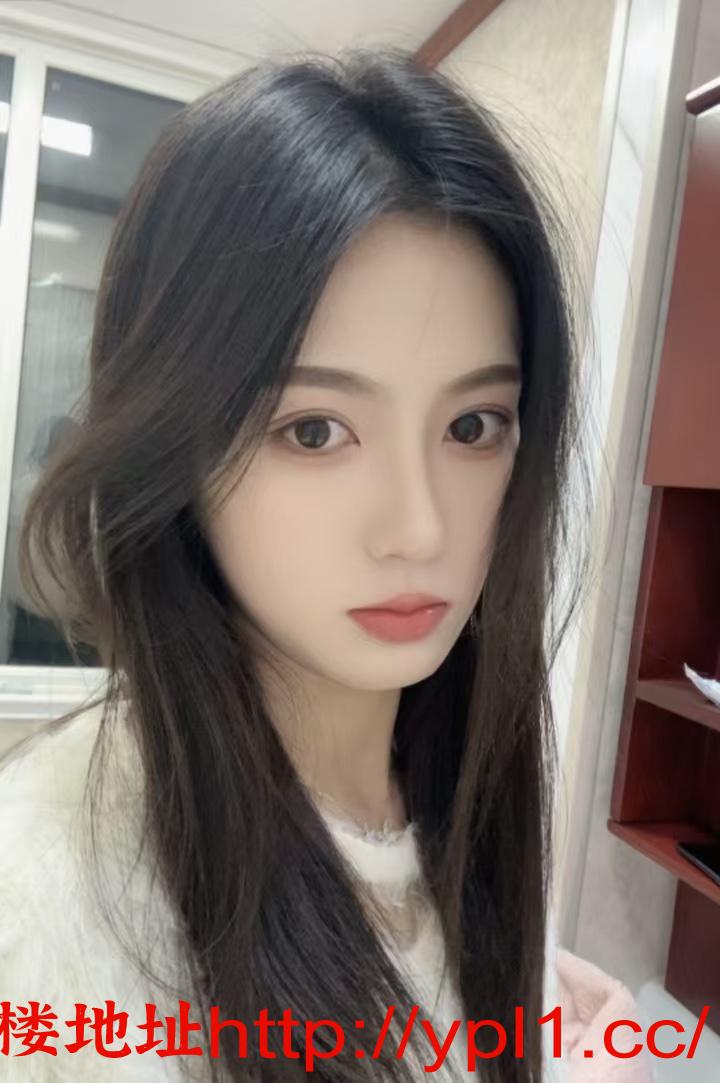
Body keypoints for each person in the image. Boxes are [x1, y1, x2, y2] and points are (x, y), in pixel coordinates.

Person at [0, 48, 654, 1082]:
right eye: (314, 431)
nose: (419, 528)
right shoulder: (48, 901)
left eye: (473, 425)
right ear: (176, 446)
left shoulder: (465, 787)